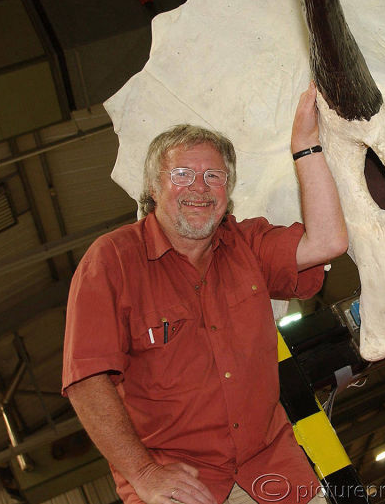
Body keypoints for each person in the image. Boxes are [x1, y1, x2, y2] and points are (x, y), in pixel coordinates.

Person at [61, 82, 347, 504]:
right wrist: (143, 473)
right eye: (182, 175)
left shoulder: (247, 244)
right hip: (178, 485)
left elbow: (328, 242)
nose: (199, 187)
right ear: (154, 187)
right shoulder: (111, 261)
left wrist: (305, 145)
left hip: (273, 471)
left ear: (228, 191)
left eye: (214, 176)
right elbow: (86, 380)